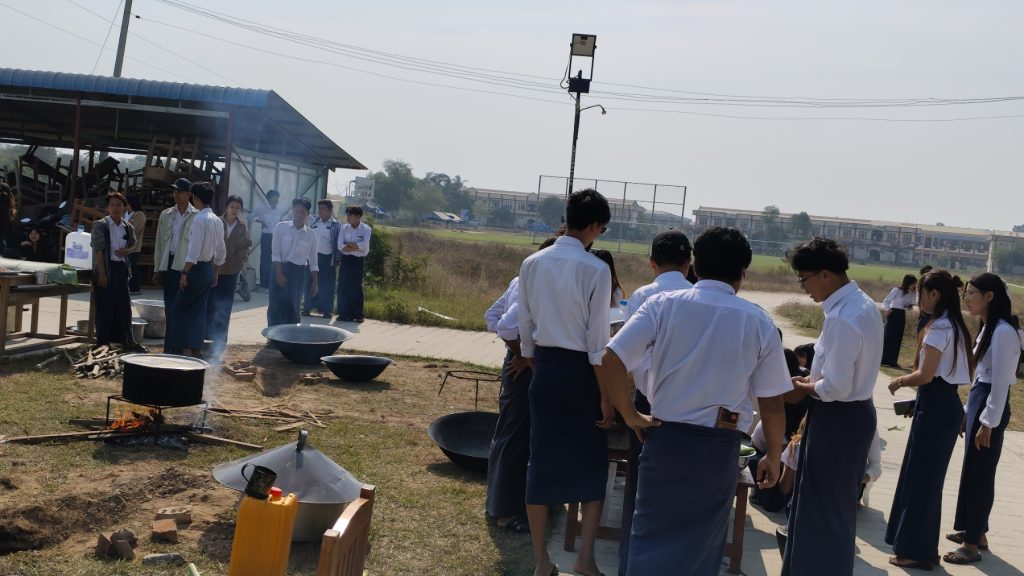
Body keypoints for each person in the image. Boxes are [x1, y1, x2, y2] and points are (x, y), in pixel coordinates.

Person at [597, 226, 790, 576]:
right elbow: (773, 404)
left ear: (695, 266)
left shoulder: (662, 305)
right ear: (742, 272)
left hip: (664, 438)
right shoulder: (758, 321)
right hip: (719, 447)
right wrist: (774, 456)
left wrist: (630, 413)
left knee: (651, 534)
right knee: (701, 546)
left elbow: (612, 358)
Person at [517, 189, 613, 576]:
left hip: (544, 368)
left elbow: (525, 327)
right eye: (601, 229)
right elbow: (597, 342)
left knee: (540, 461)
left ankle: (541, 561)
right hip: (582, 374)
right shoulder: (596, 269)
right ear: (594, 226)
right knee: (592, 463)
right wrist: (605, 394)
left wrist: (537, 363)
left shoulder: (532, 262)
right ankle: (585, 559)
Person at [782, 237, 883, 576]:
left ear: (825, 274)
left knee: (820, 511)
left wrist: (803, 387)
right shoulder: (862, 304)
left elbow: (835, 387)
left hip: (837, 418)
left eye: (804, 278)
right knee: (833, 510)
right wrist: (811, 383)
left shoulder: (844, 316)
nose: (803, 286)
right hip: (852, 415)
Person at [885, 269, 974, 570]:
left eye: (920, 293)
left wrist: (899, 381)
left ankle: (917, 552)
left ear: (934, 294)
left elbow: (925, 375)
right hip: (942, 404)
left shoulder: (939, 328)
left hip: (936, 407)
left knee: (921, 481)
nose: (917, 298)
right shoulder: (954, 324)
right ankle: (921, 548)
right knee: (926, 481)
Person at [615, 229, 693, 575]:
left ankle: (631, 561)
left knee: (640, 485)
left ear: (651, 263)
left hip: (647, 402)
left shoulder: (644, 295)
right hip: (686, 404)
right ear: (689, 263)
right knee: (679, 489)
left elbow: (624, 354)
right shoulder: (696, 296)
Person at [944, 273, 1021, 564]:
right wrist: (968, 411)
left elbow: (1000, 382)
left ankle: (971, 545)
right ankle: (976, 532)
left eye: (971, 293)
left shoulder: (1003, 332)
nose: (966, 299)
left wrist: (988, 422)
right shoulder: (988, 328)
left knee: (980, 475)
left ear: (989, 296)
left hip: (991, 405)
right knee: (973, 471)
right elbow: (980, 377)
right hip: (980, 400)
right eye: (965, 293)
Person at [483, 237, 557, 535]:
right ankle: (505, 510)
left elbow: (491, 316)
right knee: (515, 437)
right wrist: (525, 355)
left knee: (511, 432)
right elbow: (503, 325)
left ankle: (500, 502)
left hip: (519, 362)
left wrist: (520, 352)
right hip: (524, 366)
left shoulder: (519, 279)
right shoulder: (535, 285)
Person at [164, 183, 226, 357]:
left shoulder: (199, 220)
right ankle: (195, 347)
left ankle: (184, 349)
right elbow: (221, 251)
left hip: (196, 269)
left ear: (196, 198)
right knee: (199, 310)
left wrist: (184, 273)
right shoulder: (217, 220)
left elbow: (193, 251)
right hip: (208, 269)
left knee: (180, 309)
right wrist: (215, 271)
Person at [91, 193, 145, 353]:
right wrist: (102, 274)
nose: (115, 208)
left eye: (119, 205)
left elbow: (133, 243)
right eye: (112, 205)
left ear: (124, 208)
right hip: (105, 268)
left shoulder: (127, 226)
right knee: (104, 306)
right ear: (108, 208)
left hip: (121, 269)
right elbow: (98, 251)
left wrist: (127, 251)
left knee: (123, 307)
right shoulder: (101, 225)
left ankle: (127, 340)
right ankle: (102, 342)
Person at [206, 195, 251, 359]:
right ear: (226, 208)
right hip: (213, 269)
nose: (234, 210)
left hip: (231, 271)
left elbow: (247, 246)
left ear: (241, 210)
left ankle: (220, 342)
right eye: (232, 207)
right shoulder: (217, 222)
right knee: (210, 305)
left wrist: (239, 259)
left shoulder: (242, 226)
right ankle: (206, 339)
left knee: (225, 307)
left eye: (237, 208)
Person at [153, 178, 197, 335]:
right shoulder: (166, 214)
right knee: (170, 301)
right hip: (169, 262)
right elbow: (159, 243)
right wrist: (157, 268)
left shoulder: (196, 216)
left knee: (185, 302)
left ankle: (182, 337)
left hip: (188, 264)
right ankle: (171, 337)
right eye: (174, 191)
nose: (176, 195)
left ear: (189, 194)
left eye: (180, 191)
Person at [268, 198, 319, 327]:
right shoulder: (281, 227)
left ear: (307, 214)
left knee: (293, 305)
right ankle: (273, 334)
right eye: (297, 211)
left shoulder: (311, 235)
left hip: (298, 273)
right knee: (276, 304)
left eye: (303, 212)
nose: (299, 215)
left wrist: (315, 282)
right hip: (280, 269)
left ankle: (291, 334)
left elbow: (313, 261)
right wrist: (279, 273)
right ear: (292, 210)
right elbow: (275, 254)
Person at [303, 199, 341, 318]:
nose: (320, 211)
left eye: (323, 208)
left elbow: (338, 244)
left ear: (329, 210)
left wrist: (337, 260)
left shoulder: (336, 225)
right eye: (319, 208)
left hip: (327, 258)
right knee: (309, 283)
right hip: (312, 257)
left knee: (327, 285)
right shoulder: (314, 222)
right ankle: (307, 308)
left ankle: (327, 310)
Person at [336, 206, 372, 323]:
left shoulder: (366, 229)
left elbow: (365, 246)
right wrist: (356, 247)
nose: (347, 217)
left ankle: (358, 315)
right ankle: (343, 314)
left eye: (349, 215)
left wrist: (349, 245)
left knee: (356, 287)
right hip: (346, 260)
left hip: (358, 261)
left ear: (357, 216)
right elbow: (340, 246)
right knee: (343, 286)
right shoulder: (344, 228)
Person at [881, 274, 918, 367]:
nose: (915, 285)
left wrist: (909, 305)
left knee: (898, 338)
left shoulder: (911, 293)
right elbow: (886, 301)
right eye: (914, 283)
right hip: (893, 313)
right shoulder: (896, 290)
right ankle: (882, 359)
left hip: (901, 314)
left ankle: (893, 361)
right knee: (888, 337)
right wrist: (887, 309)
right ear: (908, 282)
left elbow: (909, 304)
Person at [249, 189, 281, 292]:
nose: (276, 200)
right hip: (266, 237)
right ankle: (263, 285)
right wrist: (260, 221)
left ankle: (271, 284)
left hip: (276, 238)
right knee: (264, 261)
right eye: (275, 197)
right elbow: (250, 216)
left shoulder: (279, 211)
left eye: (277, 198)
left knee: (274, 261)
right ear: (269, 198)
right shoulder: (262, 209)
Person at [125, 195, 146, 295]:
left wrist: (127, 224)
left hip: (134, 247)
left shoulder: (139, 214)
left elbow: (134, 229)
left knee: (133, 267)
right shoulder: (124, 213)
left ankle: (135, 289)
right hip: (123, 246)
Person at [916, 264, 934, 332]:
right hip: (924, 313)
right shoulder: (920, 284)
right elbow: (917, 299)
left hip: (933, 314)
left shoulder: (935, 285)